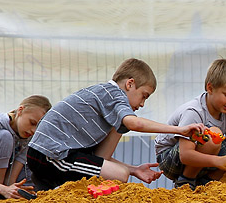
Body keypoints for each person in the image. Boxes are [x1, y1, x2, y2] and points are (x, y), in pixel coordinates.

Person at [26, 58, 205, 191]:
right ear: (130, 84)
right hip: (51, 154)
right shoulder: (114, 94)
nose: (142, 104)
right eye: (144, 95)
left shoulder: (108, 102)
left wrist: (134, 169)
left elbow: (101, 159)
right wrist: (180, 130)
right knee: (120, 175)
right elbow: (136, 124)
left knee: (120, 162)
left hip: (50, 154)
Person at [155, 58, 226, 189]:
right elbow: (185, 155)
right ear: (210, 88)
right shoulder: (194, 112)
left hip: (204, 156)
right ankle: (186, 181)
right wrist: (219, 161)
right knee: (213, 135)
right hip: (171, 160)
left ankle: (207, 182)